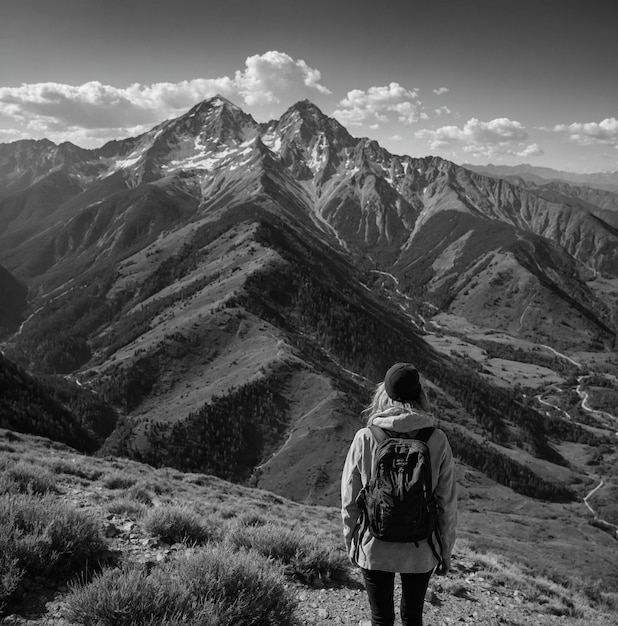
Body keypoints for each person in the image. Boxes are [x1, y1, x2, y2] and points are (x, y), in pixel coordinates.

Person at [341, 363, 457, 626]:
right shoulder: (437, 439)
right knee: (412, 617)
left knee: (381, 618)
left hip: (374, 545)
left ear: (385, 394)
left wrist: (351, 542)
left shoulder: (365, 437)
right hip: (421, 547)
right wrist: (445, 551)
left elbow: (350, 498)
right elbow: (446, 504)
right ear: (420, 396)